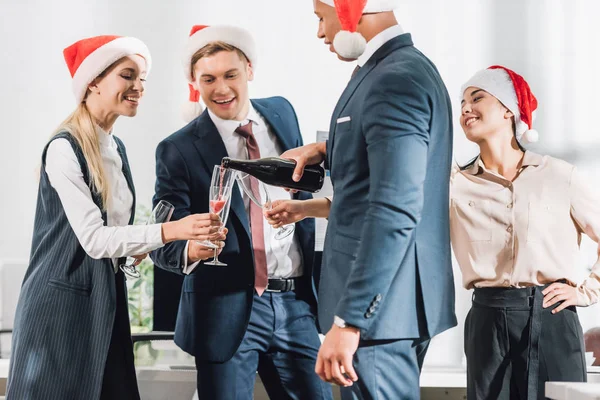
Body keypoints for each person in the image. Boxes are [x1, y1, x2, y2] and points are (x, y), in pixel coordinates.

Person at [6, 35, 224, 400]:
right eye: (128, 75)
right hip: (61, 308)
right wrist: (172, 230)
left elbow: (113, 236)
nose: (138, 87)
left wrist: (142, 249)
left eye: (142, 79)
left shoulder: (115, 147)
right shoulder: (64, 147)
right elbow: (94, 240)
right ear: (93, 81)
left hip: (105, 300)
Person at [278, 0, 457, 397]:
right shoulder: (401, 68)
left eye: (321, 18)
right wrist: (325, 151)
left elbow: (395, 207)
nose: (320, 33)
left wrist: (350, 320)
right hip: (390, 312)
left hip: (379, 317)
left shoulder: (394, 79)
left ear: (349, 10)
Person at [150, 25, 332, 400]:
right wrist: (190, 249)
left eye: (230, 75)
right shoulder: (177, 149)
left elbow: (311, 180)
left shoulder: (282, 112)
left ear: (249, 70)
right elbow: (161, 239)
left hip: (295, 302)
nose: (221, 88)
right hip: (225, 311)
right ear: (194, 82)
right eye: (209, 79)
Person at [452, 65, 599, 399]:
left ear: (508, 110)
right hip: (487, 320)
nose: (464, 108)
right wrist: (307, 206)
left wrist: (587, 292)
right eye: (461, 102)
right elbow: (389, 204)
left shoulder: (561, 176)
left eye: (477, 98)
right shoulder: (453, 185)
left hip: (552, 318)